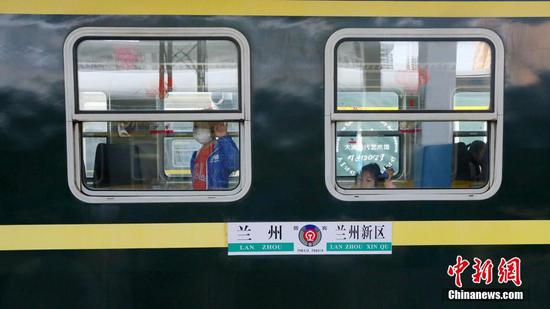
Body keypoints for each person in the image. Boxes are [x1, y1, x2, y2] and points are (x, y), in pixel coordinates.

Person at [190, 122, 239, 190]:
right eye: (196, 127)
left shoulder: (220, 151)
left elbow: (234, 164)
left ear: (213, 130)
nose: (198, 130)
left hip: (215, 198)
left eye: (203, 127)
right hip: (199, 198)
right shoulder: (195, 155)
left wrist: (224, 137)